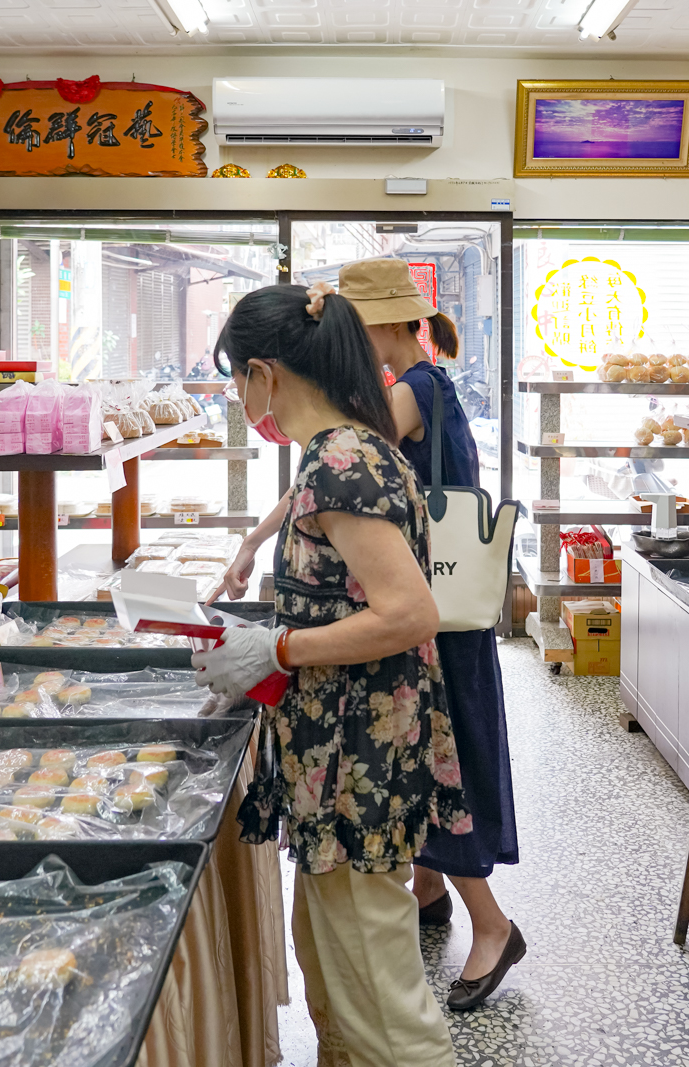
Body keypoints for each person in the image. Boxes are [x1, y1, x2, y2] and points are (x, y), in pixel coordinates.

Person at [191, 283, 471, 1067]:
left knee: (381, 1003)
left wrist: (275, 652)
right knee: (337, 977)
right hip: (339, 752)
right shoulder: (342, 449)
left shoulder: (343, 462)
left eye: (235, 381)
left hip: (360, 762)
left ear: (262, 372)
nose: (240, 398)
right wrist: (261, 651)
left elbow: (408, 612)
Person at [339, 257, 524, 1012]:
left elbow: (352, 456)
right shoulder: (426, 382)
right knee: (432, 744)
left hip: (433, 610)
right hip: (441, 601)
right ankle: (429, 886)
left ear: (380, 325)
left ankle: (493, 925)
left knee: (438, 753)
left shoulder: (414, 389)